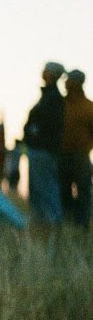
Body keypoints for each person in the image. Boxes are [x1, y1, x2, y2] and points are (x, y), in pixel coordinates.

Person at [23, 61, 65, 224]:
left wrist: (34, 132)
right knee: (38, 189)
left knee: (45, 187)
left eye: (46, 70)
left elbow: (49, 125)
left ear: (52, 75)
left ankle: (51, 221)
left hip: (45, 150)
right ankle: (42, 221)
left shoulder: (53, 99)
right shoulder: (48, 97)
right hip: (39, 149)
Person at [59, 69, 93, 228]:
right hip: (61, 156)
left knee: (83, 192)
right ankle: (67, 223)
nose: (65, 83)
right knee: (63, 192)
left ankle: (82, 225)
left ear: (76, 83)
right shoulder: (60, 105)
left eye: (68, 80)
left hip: (81, 156)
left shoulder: (89, 107)